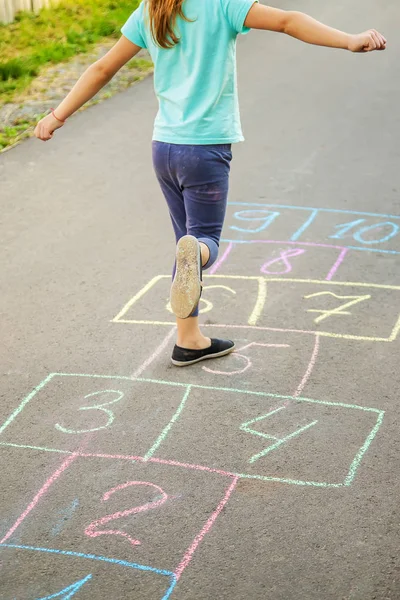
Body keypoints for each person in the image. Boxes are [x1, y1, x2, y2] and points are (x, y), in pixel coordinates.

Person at [34, 2, 386, 366]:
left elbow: (103, 66)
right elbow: (287, 20)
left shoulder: (152, 9)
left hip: (165, 147)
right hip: (204, 149)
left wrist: (57, 115)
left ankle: (189, 339)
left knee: (183, 242)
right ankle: (197, 255)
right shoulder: (222, 4)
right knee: (203, 243)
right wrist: (349, 40)